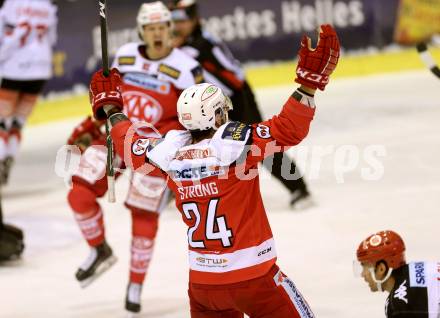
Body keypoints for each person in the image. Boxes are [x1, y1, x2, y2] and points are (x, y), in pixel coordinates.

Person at [88, 24, 339, 317]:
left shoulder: (170, 154)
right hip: (253, 278)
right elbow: (287, 129)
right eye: (223, 110)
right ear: (217, 114)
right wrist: (308, 85)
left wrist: (112, 109)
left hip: (204, 287)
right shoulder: (235, 147)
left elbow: (131, 148)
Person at [66, 2, 203, 314]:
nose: (157, 33)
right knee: (79, 194)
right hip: (115, 136)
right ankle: (99, 249)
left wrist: (181, 160)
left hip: (155, 151)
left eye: (162, 27)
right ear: (142, 31)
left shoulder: (187, 67)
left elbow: (195, 116)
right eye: (150, 28)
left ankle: (135, 284)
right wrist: (91, 125)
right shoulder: (126, 55)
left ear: (170, 29)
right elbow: (110, 97)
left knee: (143, 216)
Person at [168, 0, 312, 209]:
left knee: (260, 143)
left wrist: (182, 51)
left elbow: (234, 76)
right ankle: (186, 187)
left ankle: (299, 189)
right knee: (197, 144)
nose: (178, 26)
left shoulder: (202, 43)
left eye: (182, 20)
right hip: (207, 103)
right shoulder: (184, 44)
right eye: (174, 21)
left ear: (194, 20)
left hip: (236, 98)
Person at [0, 0, 57, 260]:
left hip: (13, 67)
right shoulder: (47, 6)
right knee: (18, 124)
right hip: (41, 68)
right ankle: (8, 161)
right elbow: (52, 37)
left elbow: (6, 38)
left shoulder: (10, 5)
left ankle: (1, 160)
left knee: (2, 123)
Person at [355, 230, 440, 317]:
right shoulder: (417, 266)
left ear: (381, 269)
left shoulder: (397, 306)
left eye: (364, 267)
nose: (362, 274)